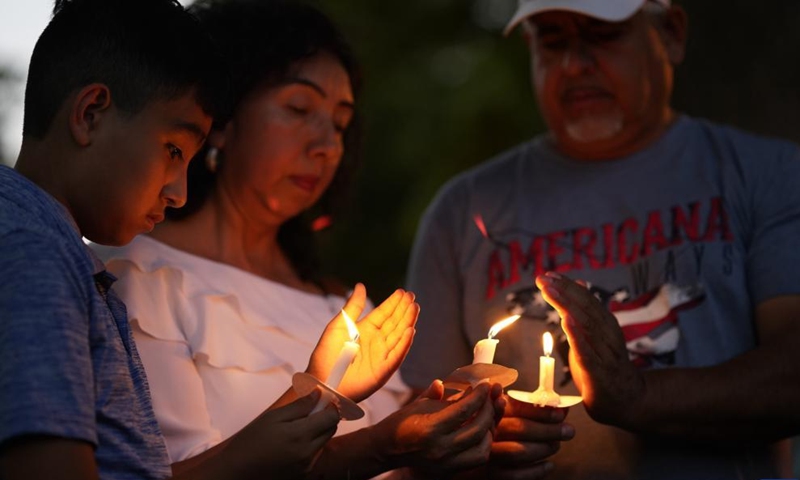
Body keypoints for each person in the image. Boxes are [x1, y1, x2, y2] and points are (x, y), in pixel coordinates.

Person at [0, 0, 476, 479]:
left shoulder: (60, 257)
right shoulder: (34, 253)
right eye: (173, 151)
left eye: (340, 124)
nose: (179, 192)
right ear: (90, 114)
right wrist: (373, 441)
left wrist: (325, 389)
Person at [401, 0, 800, 478]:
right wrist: (472, 445)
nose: (573, 65)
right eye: (553, 41)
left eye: (602, 35)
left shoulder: (767, 176)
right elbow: (416, 428)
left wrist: (637, 398)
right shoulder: (464, 208)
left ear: (670, 34)